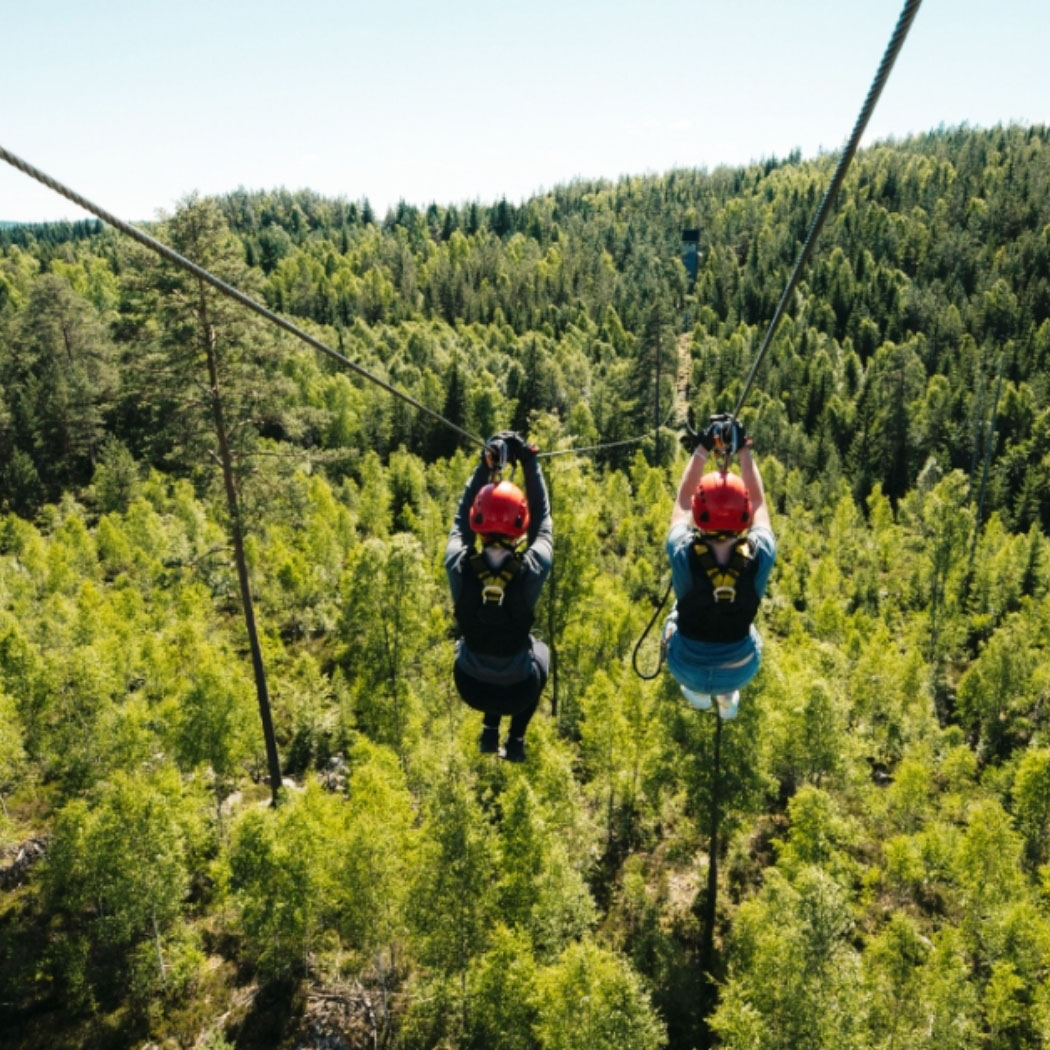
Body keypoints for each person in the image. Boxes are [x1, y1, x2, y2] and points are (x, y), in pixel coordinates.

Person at [445, 431, 553, 762]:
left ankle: (490, 731)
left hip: (470, 687)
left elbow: (461, 518)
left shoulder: (458, 564)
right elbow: (543, 524)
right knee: (542, 652)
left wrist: (485, 467)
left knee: (497, 657)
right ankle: (515, 738)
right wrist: (530, 461)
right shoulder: (532, 568)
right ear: (520, 525)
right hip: (518, 692)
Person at [663, 416, 776, 720]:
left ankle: (699, 693)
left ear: (701, 514)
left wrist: (702, 449)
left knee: (674, 614)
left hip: (686, 667)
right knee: (747, 630)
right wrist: (744, 450)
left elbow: (683, 501)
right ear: (744, 514)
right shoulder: (761, 553)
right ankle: (726, 697)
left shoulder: (681, 550)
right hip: (740, 670)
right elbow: (761, 506)